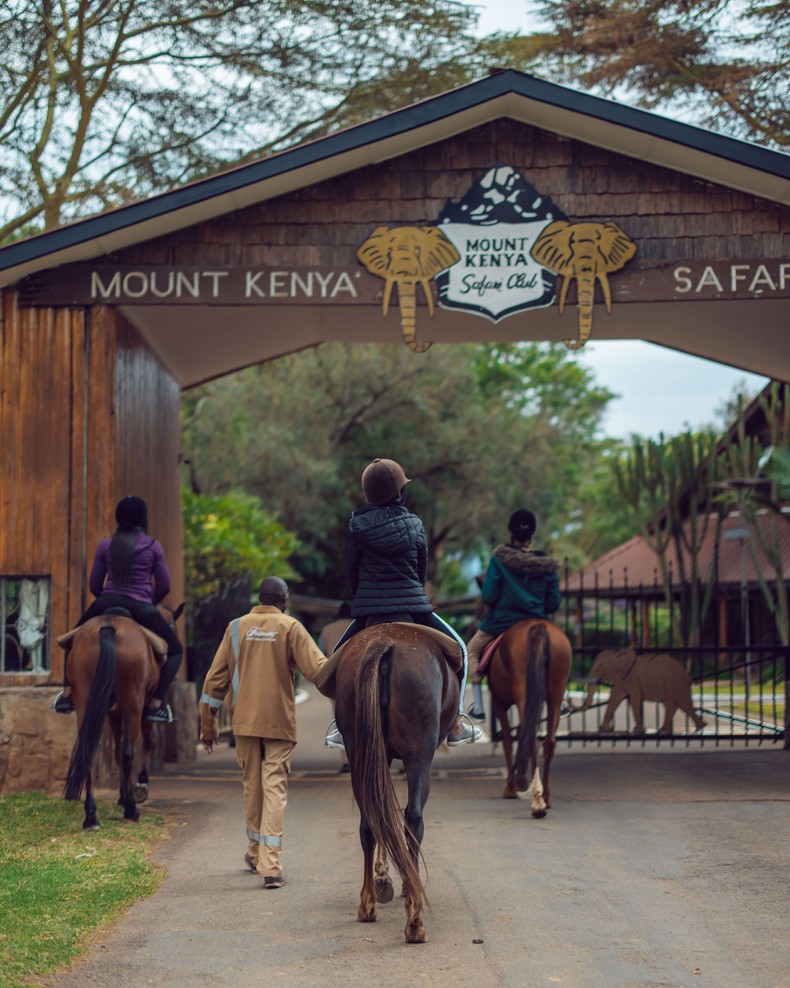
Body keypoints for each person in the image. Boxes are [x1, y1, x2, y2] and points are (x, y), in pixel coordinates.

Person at [325, 457, 482, 748]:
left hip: (369, 611)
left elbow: (352, 573)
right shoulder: (415, 524)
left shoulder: (355, 526)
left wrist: (368, 598)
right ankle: (458, 722)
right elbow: (421, 572)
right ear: (400, 491)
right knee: (459, 648)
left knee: (338, 658)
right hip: (413, 609)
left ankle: (340, 725)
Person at [198, 577, 327, 890]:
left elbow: (214, 681)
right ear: (284, 598)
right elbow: (319, 671)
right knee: (274, 787)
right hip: (279, 723)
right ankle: (270, 866)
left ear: (260, 597)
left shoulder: (234, 628)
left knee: (252, 787)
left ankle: (255, 852)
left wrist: (209, 726)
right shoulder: (290, 627)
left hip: (244, 722)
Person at [52, 495, 183, 723]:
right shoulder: (153, 546)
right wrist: (148, 602)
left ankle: (67, 695)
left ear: (118, 518)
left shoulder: (106, 545)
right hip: (142, 606)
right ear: (144, 519)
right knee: (176, 650)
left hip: (106, 602)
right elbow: (164, 585)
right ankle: (156, 704)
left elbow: (94, 584)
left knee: (72, 640)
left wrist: (108, 600)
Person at [466, 509, 562, 691]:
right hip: (538, 622)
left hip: (501, 623)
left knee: (471, 650)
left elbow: (489, 596)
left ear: (511, 531)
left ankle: (477, 707)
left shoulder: (499, 560)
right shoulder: (547, 565)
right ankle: (562, 699)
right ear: (532, 534)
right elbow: (553, 604)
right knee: (560, 651)